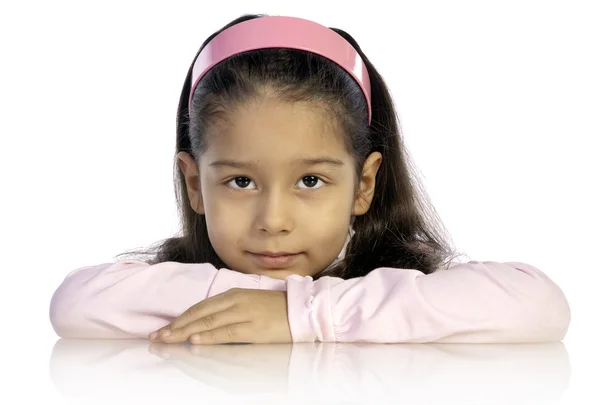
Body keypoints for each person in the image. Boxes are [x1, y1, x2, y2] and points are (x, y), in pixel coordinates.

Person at [48, 14, 571, 345]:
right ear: (193, 183)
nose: (274, 221)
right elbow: (74, 303)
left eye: (311, 181)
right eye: (241, 183)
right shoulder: (172, 280)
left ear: (364, 185)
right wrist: (255, 304)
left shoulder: (396, 275)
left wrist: (304, 315)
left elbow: (540, 304)